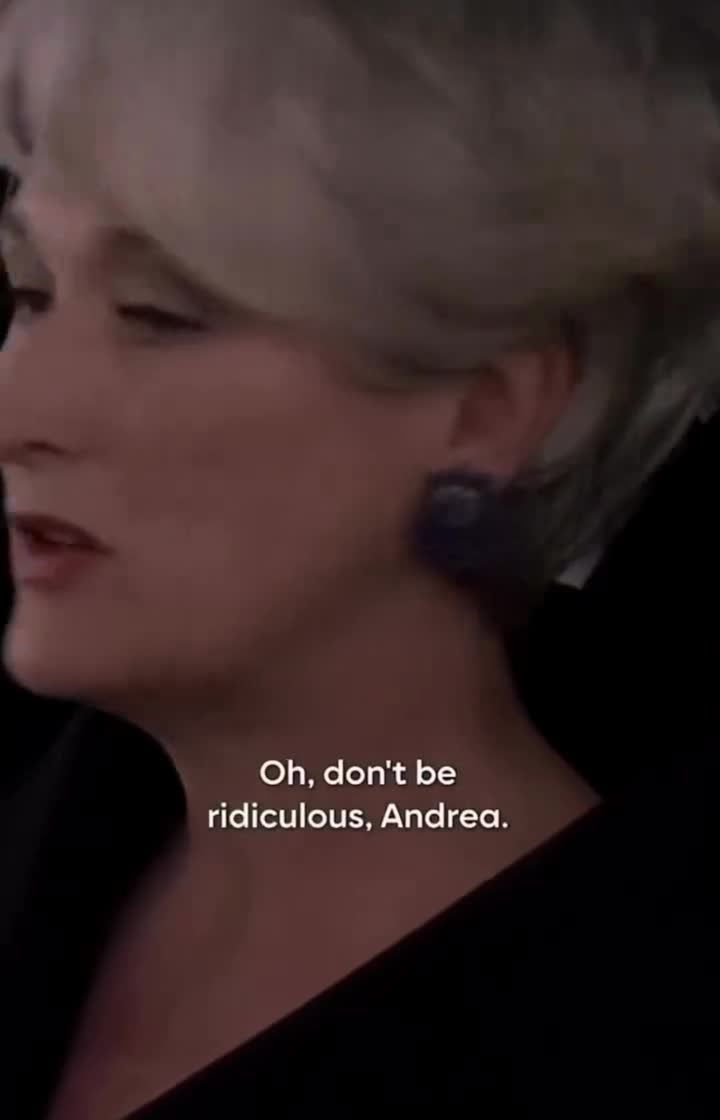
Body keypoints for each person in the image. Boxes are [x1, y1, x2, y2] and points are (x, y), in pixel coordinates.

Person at [0, 2, 718, 1117]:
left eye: (158, 315)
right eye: (30, 292)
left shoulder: (629, 1037)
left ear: (488, 408)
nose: (21, 410)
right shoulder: (63, 802)